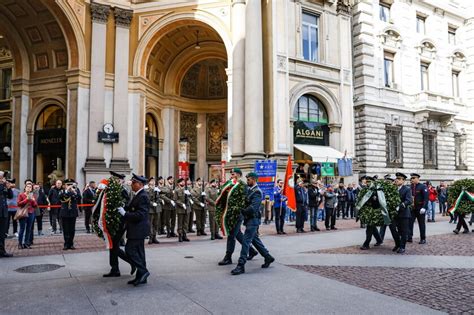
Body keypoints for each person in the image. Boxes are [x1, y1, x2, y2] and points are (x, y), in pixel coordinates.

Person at [230, 172, 274, 275]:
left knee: (245, 241)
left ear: (253, 180)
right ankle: (268, 257)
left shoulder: (257, 192)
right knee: (255, 240)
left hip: (253, 220)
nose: (247, 181)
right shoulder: (250, 190)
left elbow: (253, 208)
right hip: (249, 220)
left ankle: (241, 265)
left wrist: (242, 210)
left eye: (248, 180)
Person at [217, 168, 259, 266]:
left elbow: (243, 200)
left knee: (231, 235)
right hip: (229, 213)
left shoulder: (242, 186)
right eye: (231, 174)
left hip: (237, 214)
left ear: (239, 175)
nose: (231, 175)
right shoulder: (229, 184)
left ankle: (228, 257)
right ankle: (252, 251)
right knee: (237, 234)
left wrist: (238, 210)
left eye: (233, 174)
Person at [117, 174, 150, 286]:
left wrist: (125, 214)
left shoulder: (143, 196)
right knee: (140, 253)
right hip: (136, 229)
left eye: (134, 182)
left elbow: (140, 214)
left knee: (130, 250)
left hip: (138, 229)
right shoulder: (138, 194)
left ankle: (143, 271)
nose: (132, 184)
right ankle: (141, 277)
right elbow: (132, 207)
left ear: (140, 184)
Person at [393, 173, 413, 254]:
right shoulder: (393, 189)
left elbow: (409, 200)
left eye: (399, 179)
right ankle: (398, 244)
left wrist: (400, 206)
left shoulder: (407, 189)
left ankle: (402, 246)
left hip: (404, 213)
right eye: (396, 178)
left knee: (403, 231)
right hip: (395, 213)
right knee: (394, 230)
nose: (397, 180)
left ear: (403, 181)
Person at [59, 179, 81, 250]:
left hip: (73, 213)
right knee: (65, 229)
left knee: (72, 229)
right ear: (64, 185)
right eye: (68, 185)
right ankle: (66, 244)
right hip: (65, 212)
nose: (69, 186)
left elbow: (79, 198)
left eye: (70, 185)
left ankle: (71, 244)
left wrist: (74, 192)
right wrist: (67, 191)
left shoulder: (76, 191)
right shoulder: (62, 191)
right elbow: (60, 197)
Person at [409, 173, 428, 244]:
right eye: (411, 178)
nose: (412, 179)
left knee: (421, 224)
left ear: (418, 178)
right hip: (412, 208)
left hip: (420, 208)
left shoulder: (422, 186)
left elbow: (426, 198)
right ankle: (409, 237)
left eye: (414, 178)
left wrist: (424, 207)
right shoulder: (410, 187)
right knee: (410, 223)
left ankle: (423, 238)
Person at [17, 183, 37, 249]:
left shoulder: (32, 195)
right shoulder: (21, 195)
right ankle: (20, 244)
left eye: (30, 187)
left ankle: (26, 243)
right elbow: (19, 204)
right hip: (23, 213)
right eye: (27, 187)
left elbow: (35, 206)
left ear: (31, 189)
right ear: (25, 188)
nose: (29, 188)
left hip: (31, 213)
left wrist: (33, 201)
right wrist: (27, 199)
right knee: (22, 229)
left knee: (29, 229)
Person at [0, 171, 13, 257]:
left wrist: (8, 188)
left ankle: (2, 251)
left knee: (2, 233)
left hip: (4, 212)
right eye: (1, 177)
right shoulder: (1, 186)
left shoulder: (4, 186)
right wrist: (3, 184)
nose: (3, 178)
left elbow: (10, 196)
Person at [175, 178, 191, 242]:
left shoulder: (187, 189)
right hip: (180, 209)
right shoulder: (177, 190)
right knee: (180, 223)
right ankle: (180, 236)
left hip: (187, 208)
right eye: (181, 182)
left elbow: (190, 197)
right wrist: (182, 204)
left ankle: (185, 235)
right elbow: (175, 199)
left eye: (183, 182)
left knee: (186, 223)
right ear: (178, 183)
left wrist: (189, 194)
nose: (183, 183)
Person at [146, 177, 161, 244]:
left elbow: (158, 198)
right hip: (151, 209)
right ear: (149, 182)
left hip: (157, 209)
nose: (153, 182)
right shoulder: (147, 190)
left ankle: (155, 237)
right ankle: (151, 237)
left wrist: (158, 201)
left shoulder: (156, 190)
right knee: (150, 224)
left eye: (154, 181)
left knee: (156, 224)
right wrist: (152, 203)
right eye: (152, 181)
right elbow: (147, 200)